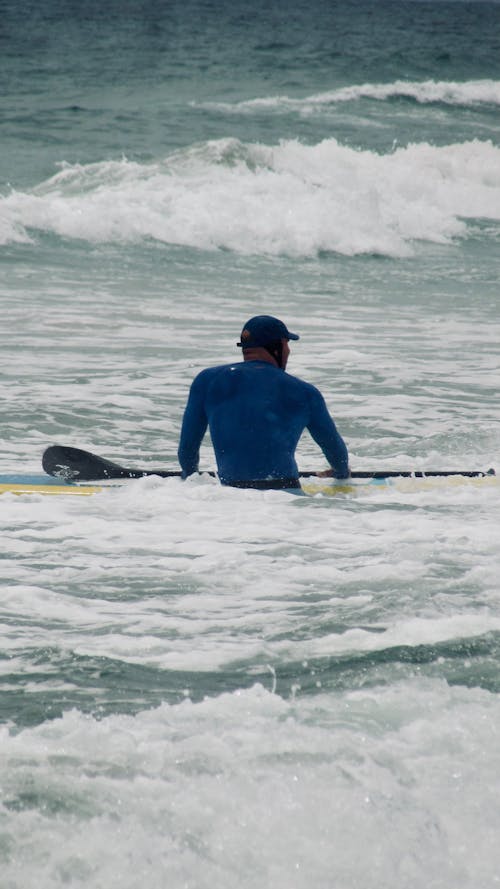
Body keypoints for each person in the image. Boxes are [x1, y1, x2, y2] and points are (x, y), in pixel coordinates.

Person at [178, 315, 349, 489]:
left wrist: (191, 483)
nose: (288, 351)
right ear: (278, 346)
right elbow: (335, 449)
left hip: (230, 495)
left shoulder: (206, 381)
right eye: (287, 344)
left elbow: (187, 450)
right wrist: (341, 473)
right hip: (285, 493)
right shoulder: (305, 392)